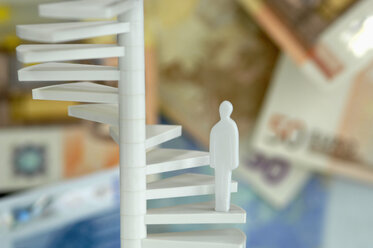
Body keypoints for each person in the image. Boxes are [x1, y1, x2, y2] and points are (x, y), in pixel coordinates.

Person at [210, 101, 239, 212]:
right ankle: (220, 205)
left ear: (229, 112)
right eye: (222, 110)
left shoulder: (231, 126)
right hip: (219, 160)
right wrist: (212, 160)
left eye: (225, 110)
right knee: (219, 183)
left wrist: (234, 161)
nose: (224, 112)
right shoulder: (216, 128)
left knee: (225, 182)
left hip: (226, 160)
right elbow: (212, 146)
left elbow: (234, 144)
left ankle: (224, 205)